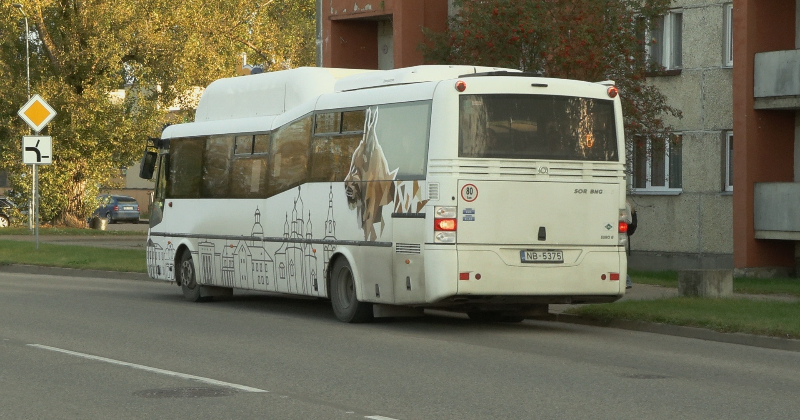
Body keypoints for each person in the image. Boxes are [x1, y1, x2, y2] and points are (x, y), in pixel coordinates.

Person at [624, 199, 637, 289]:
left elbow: (628, 220)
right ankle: (627, 280)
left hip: (620, 237)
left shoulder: (625, 205)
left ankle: (627, 281)